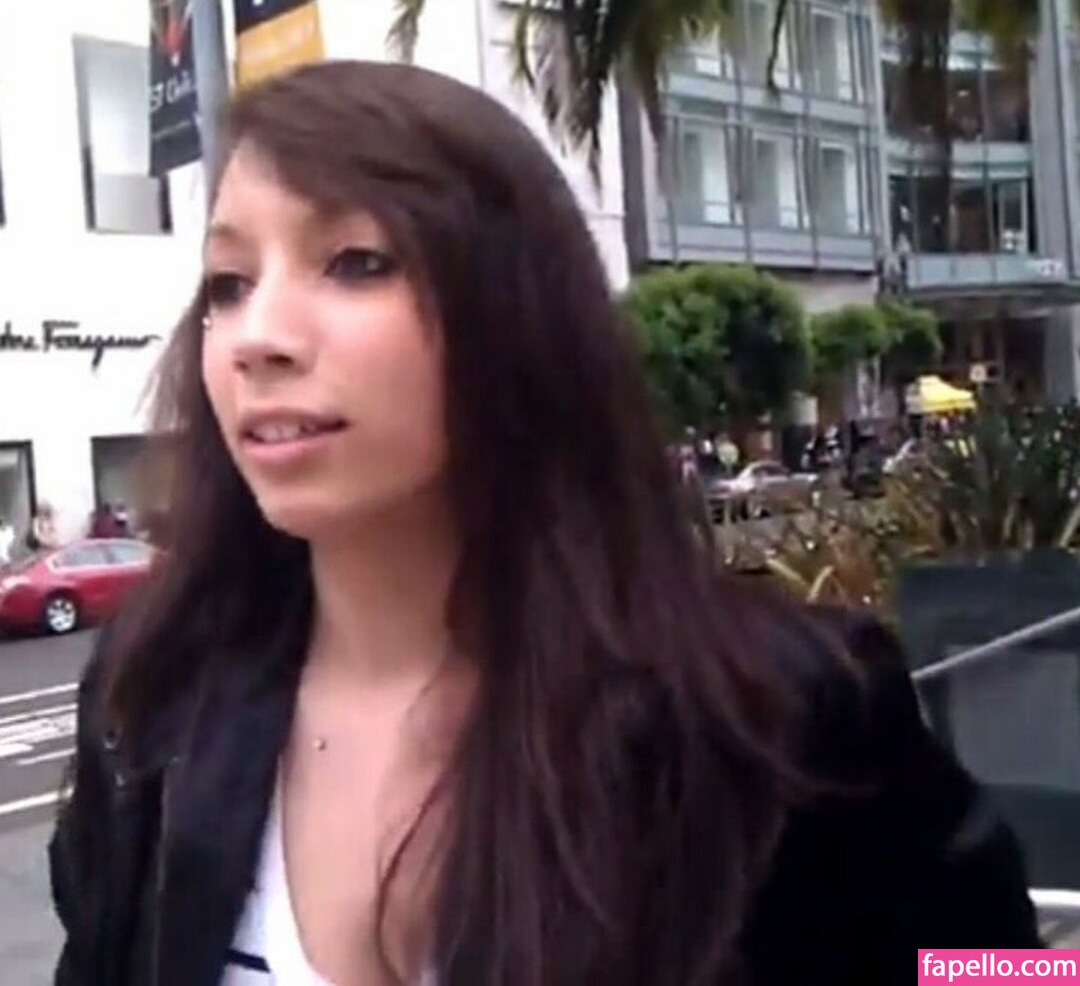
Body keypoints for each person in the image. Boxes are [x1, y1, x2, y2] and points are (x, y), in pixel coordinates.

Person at [49, 62, 1037, 986]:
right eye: (229, 283)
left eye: (354, 261)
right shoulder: (152, 700)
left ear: (514, 313)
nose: (258, 336)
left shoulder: (772, 710)